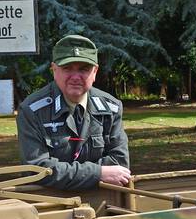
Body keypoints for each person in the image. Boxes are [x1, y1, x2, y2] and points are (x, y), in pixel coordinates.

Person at [17, 34, 131, 190]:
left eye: (84, 69)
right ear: (54, 70)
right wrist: (97, 173)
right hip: (50, 203)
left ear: (95, 72)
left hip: (102, 201)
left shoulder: (111, 108)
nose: (75, 77)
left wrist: (63, 174)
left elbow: (119, 164)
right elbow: (36, 169)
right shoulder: (32, 111)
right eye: (67, 68)